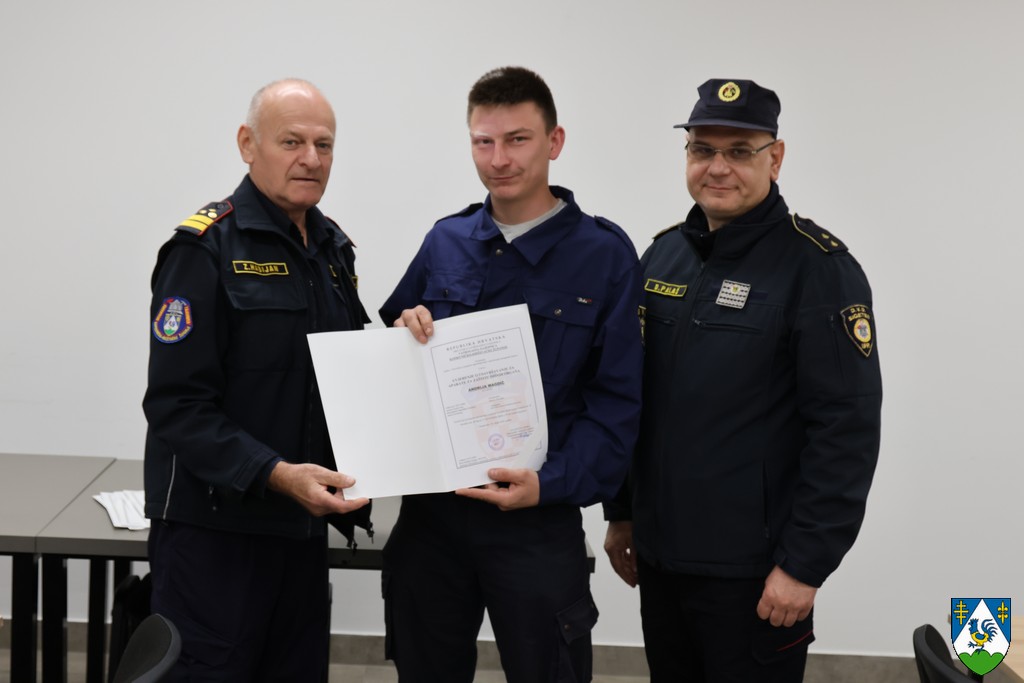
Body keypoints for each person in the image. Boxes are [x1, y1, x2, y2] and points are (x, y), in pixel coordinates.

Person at [603, 78, 882, 682]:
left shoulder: (818, 269)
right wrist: (622, 511)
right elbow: (632, 398)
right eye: (703, 149)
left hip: (755, 576)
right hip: (661, 560)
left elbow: (846, 430)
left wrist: (804, 565)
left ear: (775, 159)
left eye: (739, 151)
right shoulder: (662, 257)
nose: (718, 167)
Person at [379, 66, 644, 682]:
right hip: (433, 520)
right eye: (484, 141)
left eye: (517, 139)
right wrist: (401, 332)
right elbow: (396, 357)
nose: (499, 159)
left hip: (536, 520)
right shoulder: (445, 240)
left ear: (554, 141)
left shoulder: (604, 255)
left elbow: (617, 404)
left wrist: (549, 485)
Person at [142, 78, 371, 680]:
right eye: (291, 142)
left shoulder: (332, 250)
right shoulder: (204, 249)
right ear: (248, 144)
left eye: (324, 145)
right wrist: (276, 474)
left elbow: (342, 381)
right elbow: (177, 406)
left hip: (301, 532)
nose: (311, 159)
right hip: (216, 536)